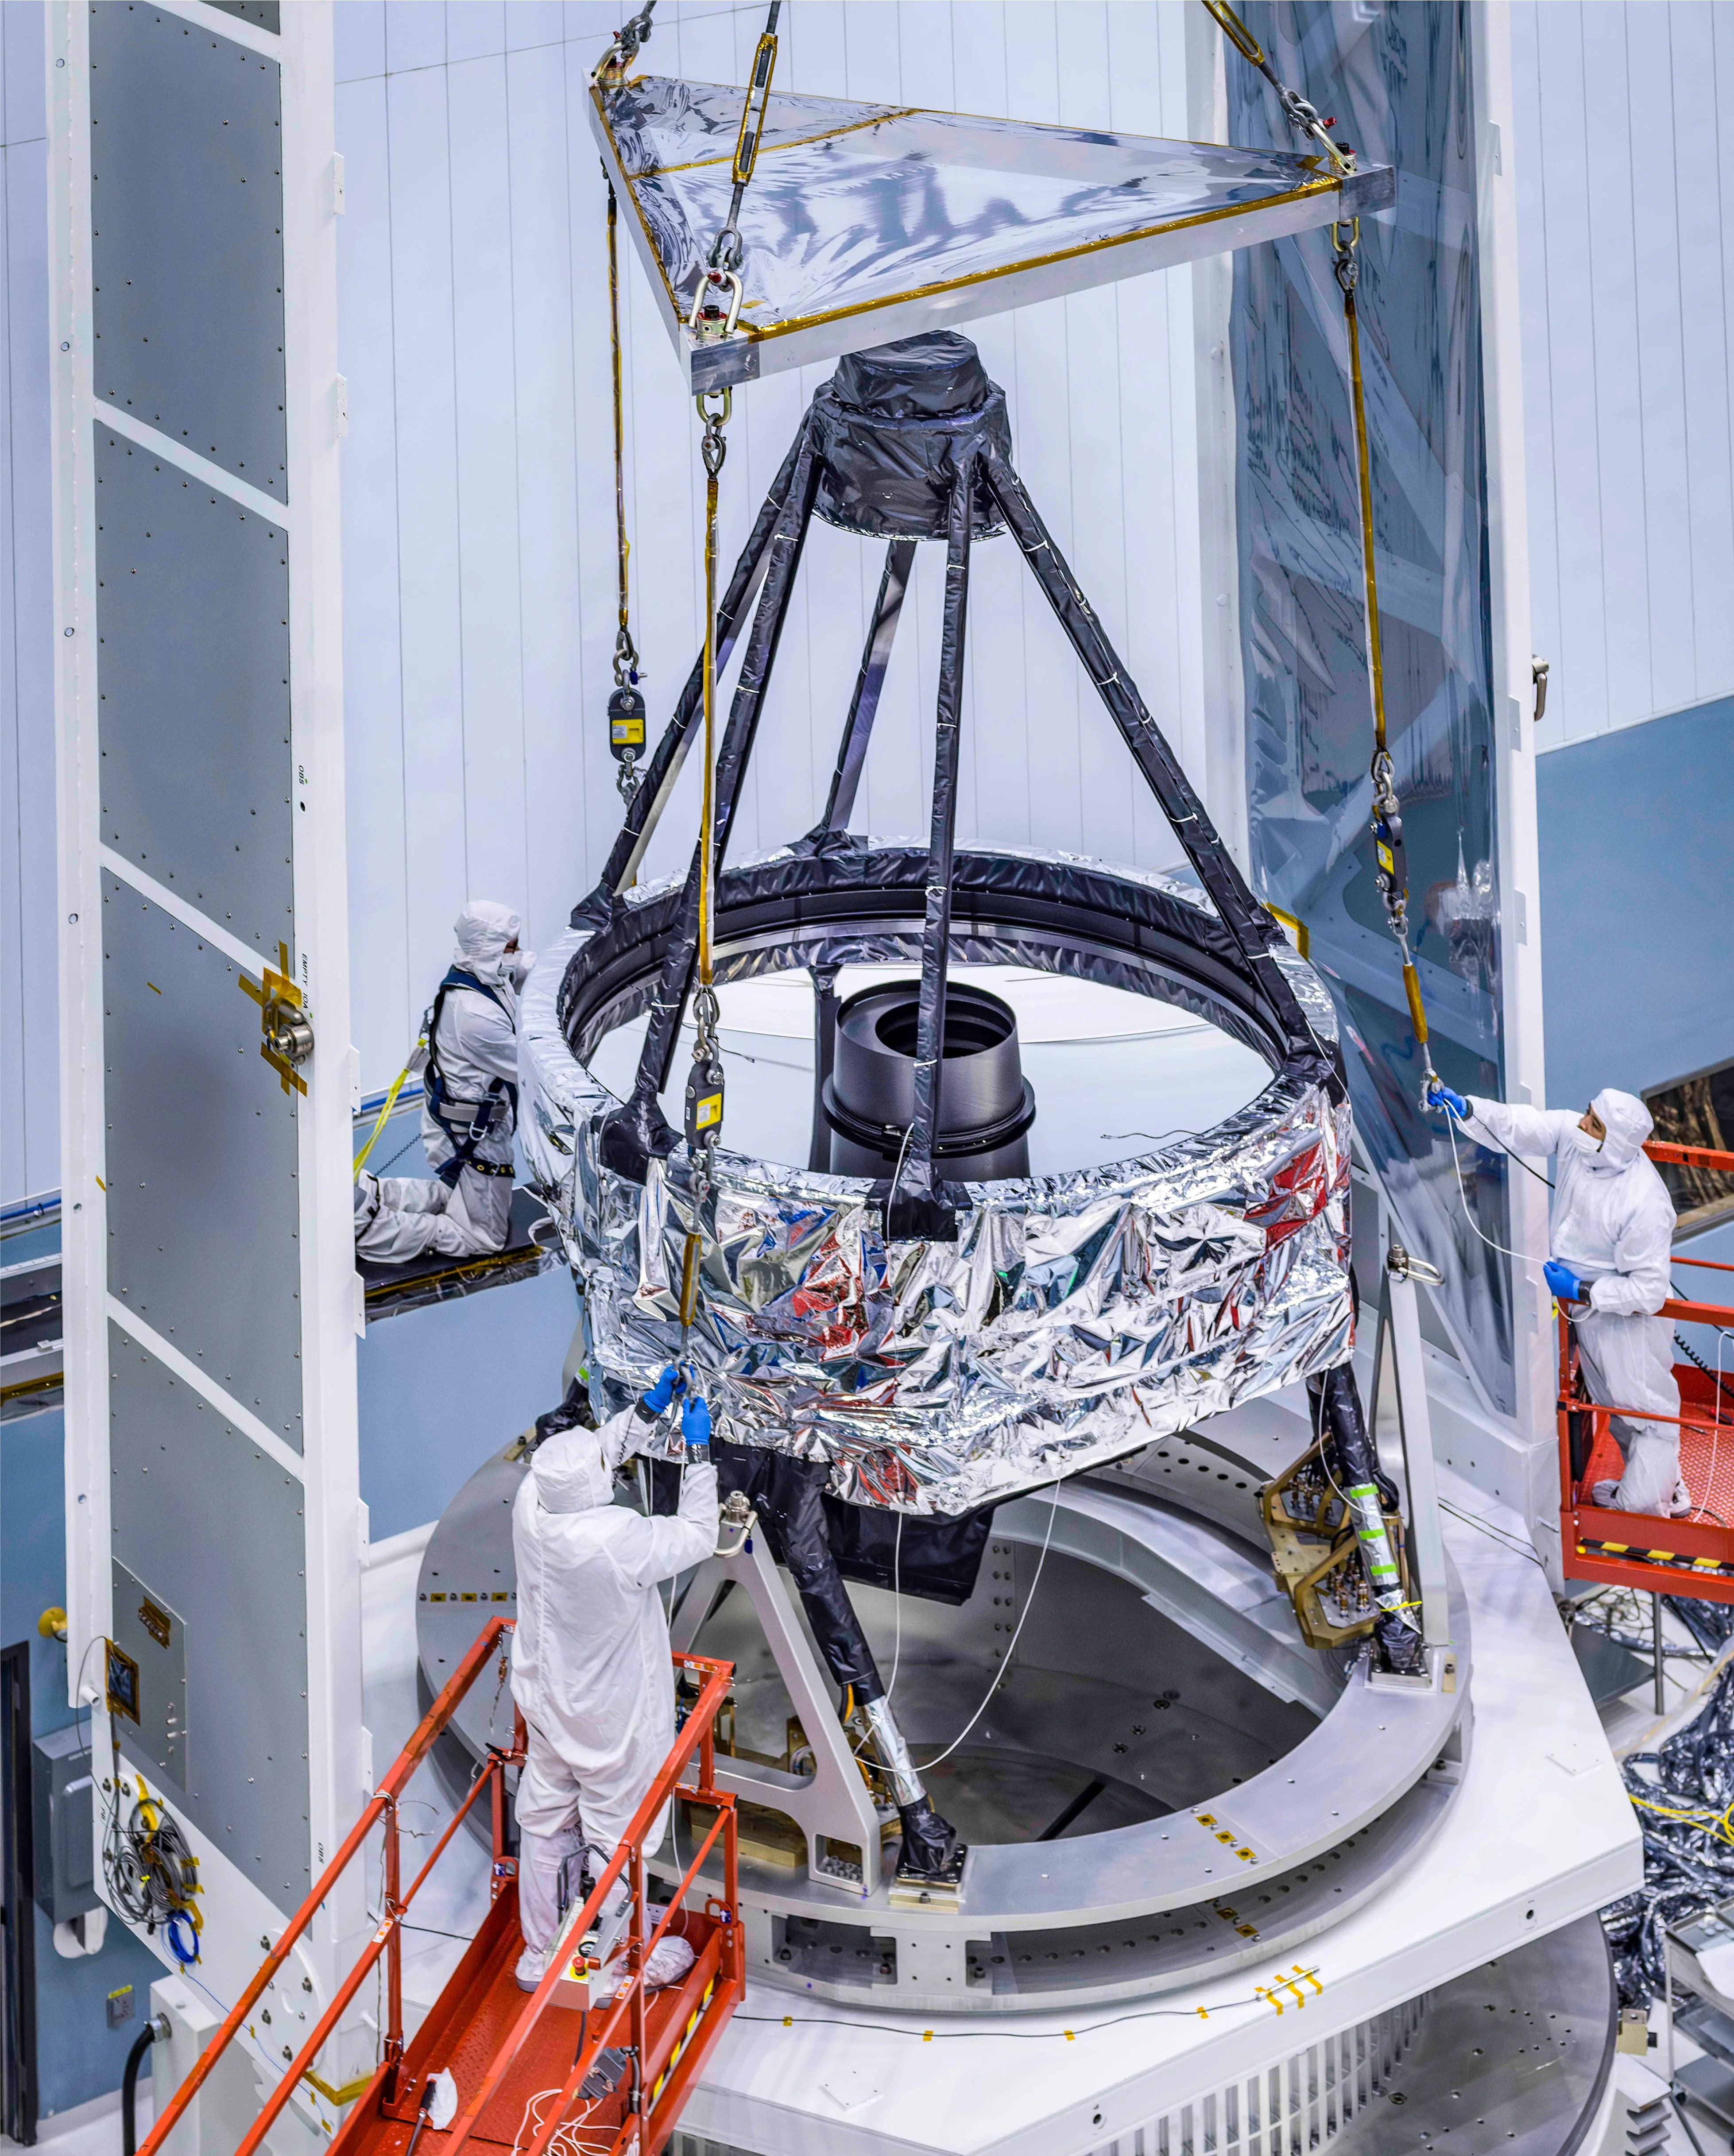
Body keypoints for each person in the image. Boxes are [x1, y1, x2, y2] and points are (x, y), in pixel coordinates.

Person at [509, 1365, 719, 1992]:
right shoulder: (614, 1537)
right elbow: (700, 1533)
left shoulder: (533, 1503)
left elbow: (593, 1459)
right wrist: (700, 1453)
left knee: (544, 1822)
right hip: (609, 1721)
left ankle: (539, 1953)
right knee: (614, 1844)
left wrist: (649, 1412)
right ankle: (596, 1970)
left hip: (549, 1700)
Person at [1429, 1079, 1681, 1516]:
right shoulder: (1579, 1144)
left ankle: (1645, 1513)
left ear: (1616, 1141)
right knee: (1615, 1405)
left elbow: (1649, 1291)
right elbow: (1523, 1126)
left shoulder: (1644, 1203)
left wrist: (1581, 1290)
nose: (1582, 1122)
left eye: (1594, 1123)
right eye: (1588, 1112)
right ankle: (1652, 1489)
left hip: (1628, 1324)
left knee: (1647, 1415)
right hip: (1590, 1314)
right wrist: (1467, 1108)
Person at [354, 901, 534, 1264]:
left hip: (458, 1122)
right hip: (473, 1134)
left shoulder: (474, 977)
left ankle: (373, 1195)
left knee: (458, 1192)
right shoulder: (475, 1016)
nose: (517, 953)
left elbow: (512, 979)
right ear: (491, 950)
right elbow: (532, 1071)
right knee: (483, 1237)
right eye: (511, 947)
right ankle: (367, 1227)